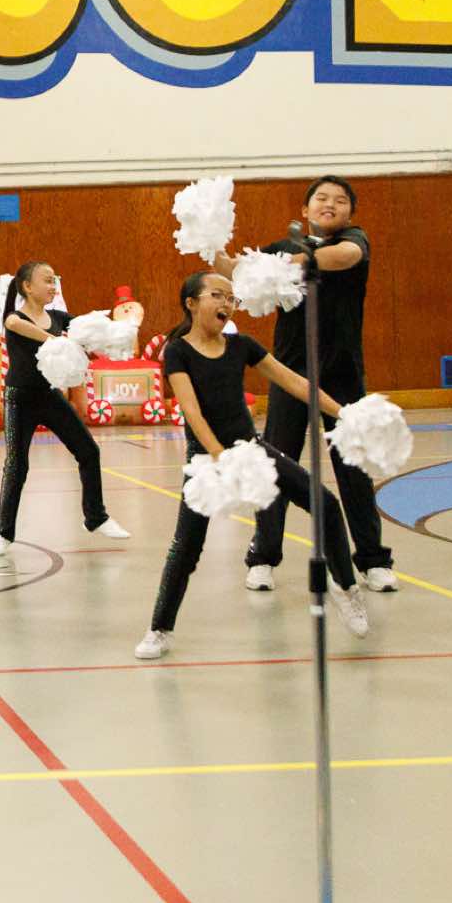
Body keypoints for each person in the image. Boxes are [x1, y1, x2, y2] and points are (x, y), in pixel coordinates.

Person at [136, 272, 368, 660]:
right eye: (217, 295)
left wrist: (343, 413)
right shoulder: (177, 352)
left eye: (231, 298)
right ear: (191, 303)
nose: (226, 304)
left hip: (251, 449)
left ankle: (345, 588)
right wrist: (218, 456)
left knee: (325, 502)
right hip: (207, 461)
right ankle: (159, 629)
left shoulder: (241, 345)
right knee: (186, 548)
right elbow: (191, 410)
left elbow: (295, 382)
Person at [245, 176, 397, 593]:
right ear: (305, 209)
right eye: (322, 198)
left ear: (350, 212)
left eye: (340, 200)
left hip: (343, 376)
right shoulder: (282, 247)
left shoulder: (353, 240)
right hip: (290, 374)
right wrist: (216, 250)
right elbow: (240, 274)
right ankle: (263, 558)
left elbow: (342, 257)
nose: (330, 204)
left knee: (353, 470)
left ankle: (373, 561)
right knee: (276, 466)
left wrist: (288, 263)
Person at [0, 260, 128, 557]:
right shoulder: (14, 317)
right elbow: (15, 326)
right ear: (27, 286)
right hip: (19, 399)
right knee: (17, 465)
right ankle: (2, 532)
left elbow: (85, 331)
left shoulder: (58, 317)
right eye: (47, 280)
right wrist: (57, 341)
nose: (53, 286)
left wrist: (113, 334)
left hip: (49, 396)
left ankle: (96, 517)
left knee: (88, 451)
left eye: (55, 281)